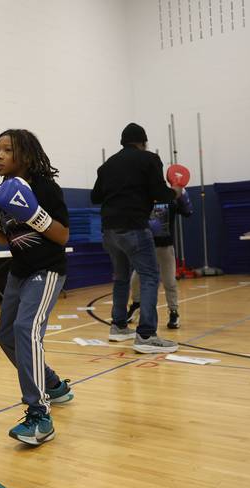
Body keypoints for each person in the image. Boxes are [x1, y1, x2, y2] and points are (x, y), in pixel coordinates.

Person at [0, 129, 73, 446]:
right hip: (20, 271)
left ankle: (39, 415)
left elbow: (63, 236)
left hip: (47, 269)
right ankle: (54, 384)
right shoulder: (1, 192)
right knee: (5, 335)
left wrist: (35, 215)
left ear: (25, 155)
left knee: (26, 328)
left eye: (6, 150)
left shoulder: (44, 187)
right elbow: (6, 239)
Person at [90, 123, 183, 353]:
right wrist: (176, 191)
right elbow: (160, 194)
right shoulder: (149, 159)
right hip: (133, 227)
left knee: (121, 277)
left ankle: (119, 326)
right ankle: (146, 335)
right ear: (143, 142)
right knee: (150, 276)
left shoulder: (107, 165)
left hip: (109, 231)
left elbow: (95, 197)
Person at [128, 189, 193, 329]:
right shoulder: (144, 198)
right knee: (135, 280)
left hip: (165, 247)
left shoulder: (171, 199)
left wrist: (181, 195)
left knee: (169, 281)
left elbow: (188, 212)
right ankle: (136, 304)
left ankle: (174, 312)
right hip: (146, 247)